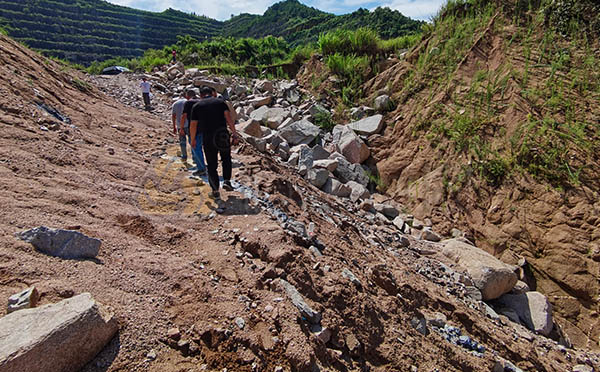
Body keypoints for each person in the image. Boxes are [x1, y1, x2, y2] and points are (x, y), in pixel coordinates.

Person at [190, 86, 239, 199]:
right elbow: (229, 118)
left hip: (208, 137)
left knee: (211, 164)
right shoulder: (220, 102)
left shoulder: (197, 106)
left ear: (201, 95)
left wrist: (193, 139)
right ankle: (226, 180)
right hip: (222, 134)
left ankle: (215, 189)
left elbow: (193, 125)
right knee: (226, 158)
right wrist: (234, 134)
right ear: (212, 93)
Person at [182, 90, 207, 177]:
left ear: (188, 96)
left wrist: (181, 128)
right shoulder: (201, 102)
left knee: (195, 147)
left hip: (194, 128)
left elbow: (184, 116)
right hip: (204, 128)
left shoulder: (188, 103)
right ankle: (203, 166)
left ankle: (201, 169)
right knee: (201, 148)